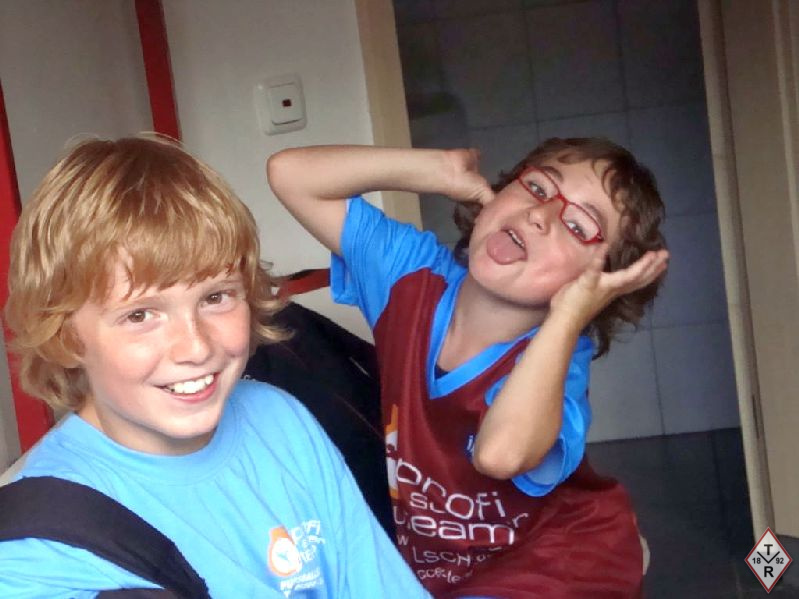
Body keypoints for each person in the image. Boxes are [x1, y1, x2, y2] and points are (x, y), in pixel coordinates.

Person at [0, 136, 430, 598]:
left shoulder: (279, 417)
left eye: (216, 297)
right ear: (65, 336)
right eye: (140, 315)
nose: (195, 346)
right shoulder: (41, 547)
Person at [267, 139, 669, 598]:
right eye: (538, 187)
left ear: (596, 287)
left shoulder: (558, 356)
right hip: (439, 567)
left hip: (552, 561)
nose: (541, 214)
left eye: (579, 226)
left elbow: (499, 456)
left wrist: (569, 316)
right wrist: (436, 169)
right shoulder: (408, 274)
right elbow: (290, 175)